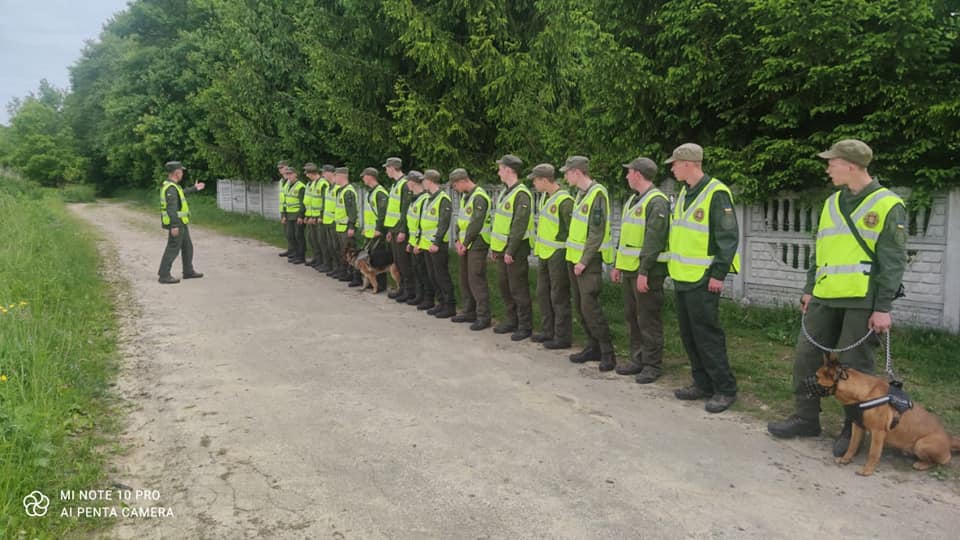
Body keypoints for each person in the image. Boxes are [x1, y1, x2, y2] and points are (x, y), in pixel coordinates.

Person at [767, 139, 907, 455]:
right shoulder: (832, 202)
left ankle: (852, 428)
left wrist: (883, 307)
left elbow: (893, 261)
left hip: (861, 300)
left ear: (852, 165)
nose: (828, 167)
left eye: (833, 162)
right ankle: (806, 418)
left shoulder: (887, 204)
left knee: (854, 367)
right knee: (806, 356)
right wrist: (809, 288)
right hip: (824, 296)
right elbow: (821, 250)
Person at [660, 143, 740, 413]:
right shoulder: (684, 193)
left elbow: (727, 238)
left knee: (707, 335)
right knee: (689, 335)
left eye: (675, 163)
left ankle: (725, 388)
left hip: (704, 279)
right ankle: (701, 382)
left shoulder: (716, 193)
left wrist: (719, 274)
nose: (672, 168)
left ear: (689, 163)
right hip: (684, 277)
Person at [610, 157, 670, 383]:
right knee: (632, 317)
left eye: (629, 172)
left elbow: (654, 240)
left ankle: (652, 365)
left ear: (638, 174)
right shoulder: (633, 201)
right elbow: (625, 237)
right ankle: (637, 359)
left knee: (648, 319)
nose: (626, 176)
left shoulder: (657, 202)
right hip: (629, 270)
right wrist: (617, 264)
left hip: (647, 273)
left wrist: (644, 271)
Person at [563, 156, 616, 371]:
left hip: (588, 262)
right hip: (574, 259)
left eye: (567, 172)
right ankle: (592, 346)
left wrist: (583, 261)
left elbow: (597, 232)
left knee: (590, 307)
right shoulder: (579, 195)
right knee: (580, 307)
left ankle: (607, 353)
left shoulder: (597, 193)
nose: (565, 176)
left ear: (577, 172)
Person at [490, 154, 534, 341]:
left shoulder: (521, 193)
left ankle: (525, 325)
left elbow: (519, 224)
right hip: (501, 249)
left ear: (509, 170)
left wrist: (510, 250)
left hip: (515, 250)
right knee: (504, 285)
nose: (499, 171)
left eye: (501, 168)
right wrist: (495, 248)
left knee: (518, 288)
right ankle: (511, 319)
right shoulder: (505, 192)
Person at [530, 163, 574, 349]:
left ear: (545, 180)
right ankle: (548, 331)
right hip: (544, 254)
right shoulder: (545, 198)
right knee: (543, 293)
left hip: (558, 254)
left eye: (535, 180)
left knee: (559, 296)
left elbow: (572, 230)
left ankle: (562, 336)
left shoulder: (564, 201)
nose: (533, 184)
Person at [450, 168, 493, 331]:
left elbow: (476, 223)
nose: (454, 188)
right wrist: (457, 239)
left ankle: (483, 316)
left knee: (476, 279)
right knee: (465, 278)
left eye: (455, 185)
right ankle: (469, 311)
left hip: (477, 242)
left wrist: (465, 243)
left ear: (462, 181)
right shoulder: (466, 197)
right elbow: (461, 220)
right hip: (465, 242)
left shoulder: (479, 197)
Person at [158, 161, 204, 283]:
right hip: (176, 223)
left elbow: (181, 194)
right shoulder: (170, 188)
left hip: (181, 222)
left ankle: (188, 271)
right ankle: (164, 275)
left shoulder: (173, 186)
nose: (182, 173)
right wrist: (174, 226)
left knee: (187, 247)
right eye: (181, 171)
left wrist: (195, 188)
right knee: (173, 248)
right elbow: (171, 208)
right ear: (177, 172)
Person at [419, 169, 456, 317]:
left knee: (441, 275)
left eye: (424, 180)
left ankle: (450, 305)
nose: (422, 183)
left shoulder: (443, 199)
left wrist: (437, 242)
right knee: (432, 275)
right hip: (427, 243)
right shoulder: (429, 198)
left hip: (437, 244)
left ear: (429, 181)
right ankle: (440, 302)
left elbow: (443, 223)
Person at [383, 157, 415, 302]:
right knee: (397, 261)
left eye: (387, 168)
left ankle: (410, 291)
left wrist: (403, 230)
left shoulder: (404, 185)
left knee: (404, 262)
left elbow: (405, 210)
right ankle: (402, 288)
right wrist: (390, 230)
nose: (385, 171)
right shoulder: (395, 185)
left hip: (401, 230)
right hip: (394, 229)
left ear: (392, 168)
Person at [404, 171, 432, 308]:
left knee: (423, 271)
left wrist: (418, 243)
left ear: (412, 182)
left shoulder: (424, 199)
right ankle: (420, 295)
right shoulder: (415, 198)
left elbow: (422, 223)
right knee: (417, 270)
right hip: (414, 241)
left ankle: (428, 298)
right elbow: (412, 224)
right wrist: (411, 241)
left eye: (407, 181)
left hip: (421, 243)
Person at [361, 167, 390, 291]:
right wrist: (365, 228)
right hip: (370, 231)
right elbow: (369, 214)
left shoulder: (380, 193)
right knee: (371, 258)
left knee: (379, 258)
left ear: (370, 176)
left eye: (364, 176)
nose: (362, 178)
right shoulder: (370, 192)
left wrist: (379, 229)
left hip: (377, 232)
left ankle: (381, 285)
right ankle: (374, 283)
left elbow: (382, 213)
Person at [333, 167, 359, 283]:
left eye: (336, 176)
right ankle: (345, 272)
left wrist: (351, 226)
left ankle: (354, 275)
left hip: (346, 228)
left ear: (342, 176)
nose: (334, 178)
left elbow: (352, 211)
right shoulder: (341, 190)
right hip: (340, 226)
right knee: (343, 251)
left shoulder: (348, 191)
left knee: (350, 252)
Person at [280, 165, 307, 264]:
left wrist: (300, 216)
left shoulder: (300, 186)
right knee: (290, 235)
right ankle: (294, 253)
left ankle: (301, 256)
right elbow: (285, 201)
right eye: (287, 174)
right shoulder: (287, 185)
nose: (289, 176)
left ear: (295, 174)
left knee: (299, 236)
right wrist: (283, 215)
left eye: (291, 174)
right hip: (288, 214)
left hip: (297, 215)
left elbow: (303, 203)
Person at [302, 163, 326, 268]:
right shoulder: (311, 184)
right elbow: (310, 203)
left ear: (312, 173)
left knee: (321, 241)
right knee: (312, 239)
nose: (306, 175)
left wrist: (319, 216)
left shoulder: (322, 184)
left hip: (319, 218)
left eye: (307, 173)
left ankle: (323, 261)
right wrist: (308, 216)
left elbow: (325, 203)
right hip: (311, 217)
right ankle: (317, 258)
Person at [320, 165, 340, 276]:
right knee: (330, 246)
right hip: (327, 221)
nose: (322, 175)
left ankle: (340, 268)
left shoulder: (337, 188)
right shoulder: (328, 188)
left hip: (334, 222)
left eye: (324, 172)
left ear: (330, 173)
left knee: (336, 247)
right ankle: (335, 267)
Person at [276, 160, 291, 257]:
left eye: (282, 167)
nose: (280, 170)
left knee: (292, 233)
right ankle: (290, 249)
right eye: (279, 168)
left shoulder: (290, 180)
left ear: (287, 167)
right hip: (284, 210)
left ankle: (295, 251)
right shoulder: (281, 181)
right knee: (287, 232)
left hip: (291, 210)